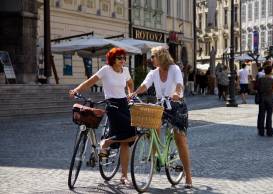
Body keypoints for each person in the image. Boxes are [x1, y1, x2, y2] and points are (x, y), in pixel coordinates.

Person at [69, 47, 136, 185]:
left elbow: (130, 83)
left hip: (124, 104)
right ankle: (106, 144)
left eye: (124, 58)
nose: (123, 60)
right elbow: (90, 82)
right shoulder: (106, 70)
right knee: (129, 133)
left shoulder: (126, 71)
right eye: (119, 58)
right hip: (111, 104)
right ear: (112, 59)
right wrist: (76, 90)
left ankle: (124, 176)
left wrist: (130, 95)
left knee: (126, 141)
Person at [129, 46, 193, 188]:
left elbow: (179, 84)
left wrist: (177, 92)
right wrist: (134, 93)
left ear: (161, 57)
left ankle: (188, 176)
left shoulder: (174, 69)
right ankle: (156, 157)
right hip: (161, 105)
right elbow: (145, 85)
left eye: (153, 56)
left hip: (176, 105)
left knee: (180, 140)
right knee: (152, 125)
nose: (151, 59)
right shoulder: (153, 72)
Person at [256, 61, 273, 137]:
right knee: (269, 115)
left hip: (262, 98)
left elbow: (256, 87)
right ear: (271, 71)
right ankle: (269, 131)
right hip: (270, 98)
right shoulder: (272, 79)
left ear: (264, 71)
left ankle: (261, 132)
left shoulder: (260, 79)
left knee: (261, 115)